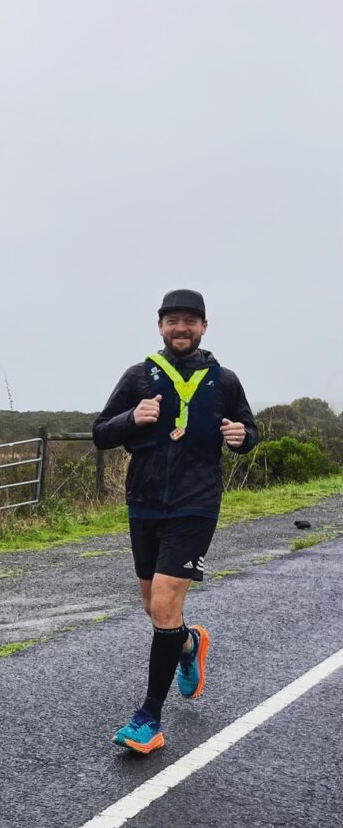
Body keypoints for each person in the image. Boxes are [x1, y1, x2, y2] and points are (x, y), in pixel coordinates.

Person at [92, 289, 258, 754]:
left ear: (203, 327)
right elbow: (101, 432)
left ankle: (148, 719)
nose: (180, 328)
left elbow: (250, 431)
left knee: (165, 602)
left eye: (190, 320)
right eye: (172, 320)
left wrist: (242, 437)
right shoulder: (138, 376)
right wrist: (131, 417)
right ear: (160, 326)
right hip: (144, 503)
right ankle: (188, 644)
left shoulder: (223, 380)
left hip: (196, 505)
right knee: (153, 608)